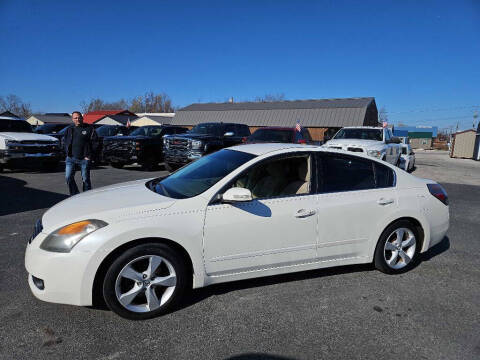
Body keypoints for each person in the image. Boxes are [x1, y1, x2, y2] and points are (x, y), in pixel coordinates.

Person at [64, 111, 98, 195]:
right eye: (75, 118)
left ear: (82, 118)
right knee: (68, 177)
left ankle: (86, 196)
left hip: (84, 158)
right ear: (72, 119)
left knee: (85, 179)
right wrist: (66, 152)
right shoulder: (69, 129)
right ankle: (74, 194)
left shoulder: (89, 128)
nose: (77, 119)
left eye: (79, 117)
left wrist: (89, 155)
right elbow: (65, 141)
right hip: (71, 158)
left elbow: (95, 142)